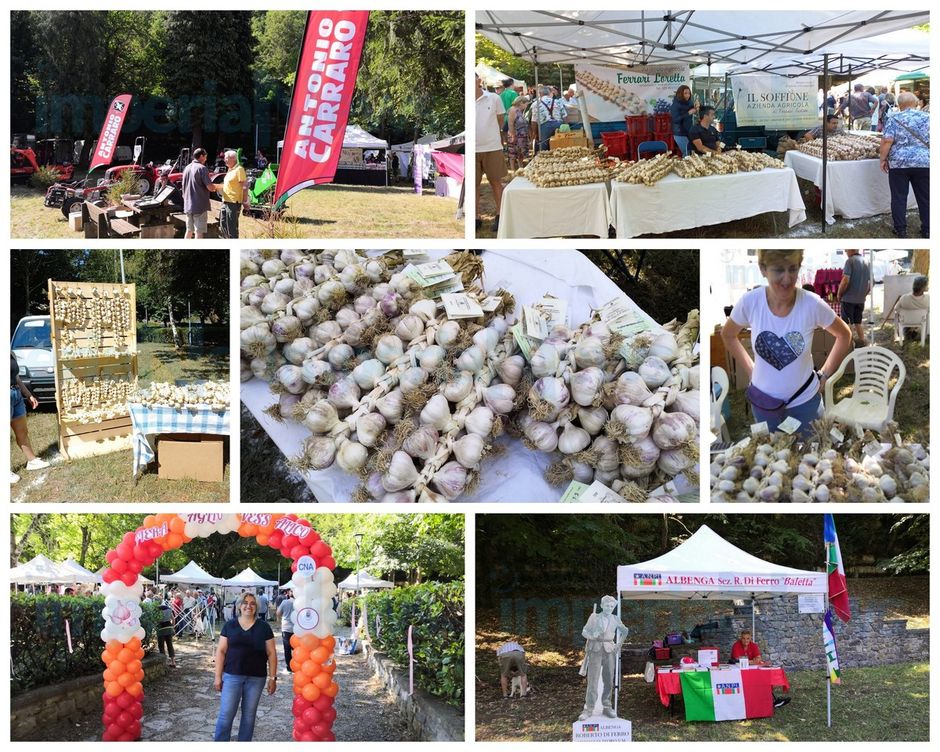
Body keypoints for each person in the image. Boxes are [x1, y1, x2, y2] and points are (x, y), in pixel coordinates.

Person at [721, 250, 852, 437]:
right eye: (778, 270)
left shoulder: (811, 304)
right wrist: (751, 369)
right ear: (763, 269)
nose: (787, 279)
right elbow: (728, 335)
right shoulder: (750, 302)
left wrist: (824, 375)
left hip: (805, 403)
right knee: (772, 459)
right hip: (765, 404)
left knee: (811, 457)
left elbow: (844, 335)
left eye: (793, 269)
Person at [213, 592, 277, 742]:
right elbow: (221, 651)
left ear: (256, 607)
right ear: (239, 606)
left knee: (248, 716)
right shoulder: (230, 625)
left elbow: (271, 653)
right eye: (245, 602)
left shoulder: (264, 627)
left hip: (256, 678)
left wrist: (272, 678)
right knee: (226, 714)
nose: (249, 606)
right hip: (232, 676)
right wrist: (218, 676)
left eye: (252, 603)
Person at [880, 91, 929, 240]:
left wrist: (883, 159)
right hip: (924, 162)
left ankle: (900, 229)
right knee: (926, 197)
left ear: (899, 105)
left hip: (899, 163)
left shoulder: (894, 119)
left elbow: (887, 141)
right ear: (916, 103)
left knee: (899, 197)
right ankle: (928, 229)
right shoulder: (929, 118)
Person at [578, 595, 629, 720]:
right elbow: (584, 631)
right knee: (593, 680)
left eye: (612, 606)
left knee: (609, 679)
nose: (609, 608)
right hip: (595, 649)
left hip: (609, 650)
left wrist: (618, 646)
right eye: (607, 605)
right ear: (602, 606)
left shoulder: (616, 619)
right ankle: (588, 708)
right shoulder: (594, 617)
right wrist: (592, 635)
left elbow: (625, 631)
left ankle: (607, 706)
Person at [10, 353, 50, 484]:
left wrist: (28, 394)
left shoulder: (10, 352)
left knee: (22, 432)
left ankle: (31, 461)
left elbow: (16, 377)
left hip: (15, 394)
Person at [475, 74, 507, 233]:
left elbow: (501, 120)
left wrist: (492, 134)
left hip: (492, 147)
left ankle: (500, 215)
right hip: (473, 149)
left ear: (478, 81)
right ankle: (475, 217)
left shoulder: (493, 98)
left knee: (496, 182)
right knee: (474, 185)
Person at [836, 250, 872, 346]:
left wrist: (839, 294)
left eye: (846, 250)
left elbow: (845, 280)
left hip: (848, 299)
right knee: (858, 322)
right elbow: (873, 282)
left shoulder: (850, 261)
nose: (845, 252)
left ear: (851, 250)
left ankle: (850, 345)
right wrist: (864, 294)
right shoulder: (867, 261)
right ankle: (862, 342)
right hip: (860, 300)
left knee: (847, 323)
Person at [181, 148, 218, 240]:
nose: (206, 159)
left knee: (189, 230)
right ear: (201, 156)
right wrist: (216, 188)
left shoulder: (187, 168)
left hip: (188, 205)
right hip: (199, 206)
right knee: (199, 232)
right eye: (205, 156)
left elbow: (183, 186)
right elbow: (210, 187)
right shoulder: (202, 168)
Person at [219, 149, 249, 239]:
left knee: (232, 228)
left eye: (226, 158)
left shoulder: (239, 169)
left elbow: (245, 186)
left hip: (233, 203)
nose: (224, 160)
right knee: (223, 225)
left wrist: (245, 202)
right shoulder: (230, 170)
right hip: (225, 201)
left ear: (233, 158)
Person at [535, 85, 567, 152]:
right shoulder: (558, 102)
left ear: (540, 94)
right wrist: (566, 125)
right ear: (550, 93)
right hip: (558, 124)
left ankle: (543, 160)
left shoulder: (536, 104)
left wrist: (535, 133)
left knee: (544, 147)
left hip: (544, 126)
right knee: (560, 145)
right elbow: (564, 116)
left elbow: (533, 121)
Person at [671, 84, 698, 156]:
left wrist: (697, 107)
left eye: (689, 93)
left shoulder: (690, 102)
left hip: (689, 132)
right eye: (685, 93)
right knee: (686, 154)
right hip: (680, 133)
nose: (688, 95)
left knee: (691, 153)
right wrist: (688, 113)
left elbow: (695, 111)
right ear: (680, 94)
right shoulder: (675, 105)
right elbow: (675, 120)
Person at [506, 95, 531, 171]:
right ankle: (513, 170)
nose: (526, 106)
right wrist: (513, 136)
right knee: (513, 154)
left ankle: (520, 167)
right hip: (515, 135)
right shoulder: (513, 110)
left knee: (520, 153)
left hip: (522, 136)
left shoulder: (519, 111)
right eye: (526, 104)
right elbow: (510, 124)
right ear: (521, 103)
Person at [276, 589, 295, 674]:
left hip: (286, 628)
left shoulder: (284, 602)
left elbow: (278, 613)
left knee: (287, 649)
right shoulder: (300, 603)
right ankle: (298, 665)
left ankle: (289, 667)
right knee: (297, 648)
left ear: (288, 594)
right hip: (297, 628)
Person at [157, 596, 177, 668]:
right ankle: (173, 662)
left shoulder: (157, 609)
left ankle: (164, 663)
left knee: (161, 646)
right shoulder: (168, 608)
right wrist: (172, 627)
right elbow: (173, 618)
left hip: (161, 629)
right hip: (169, 628)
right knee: (170, 645)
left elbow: (158, 620)